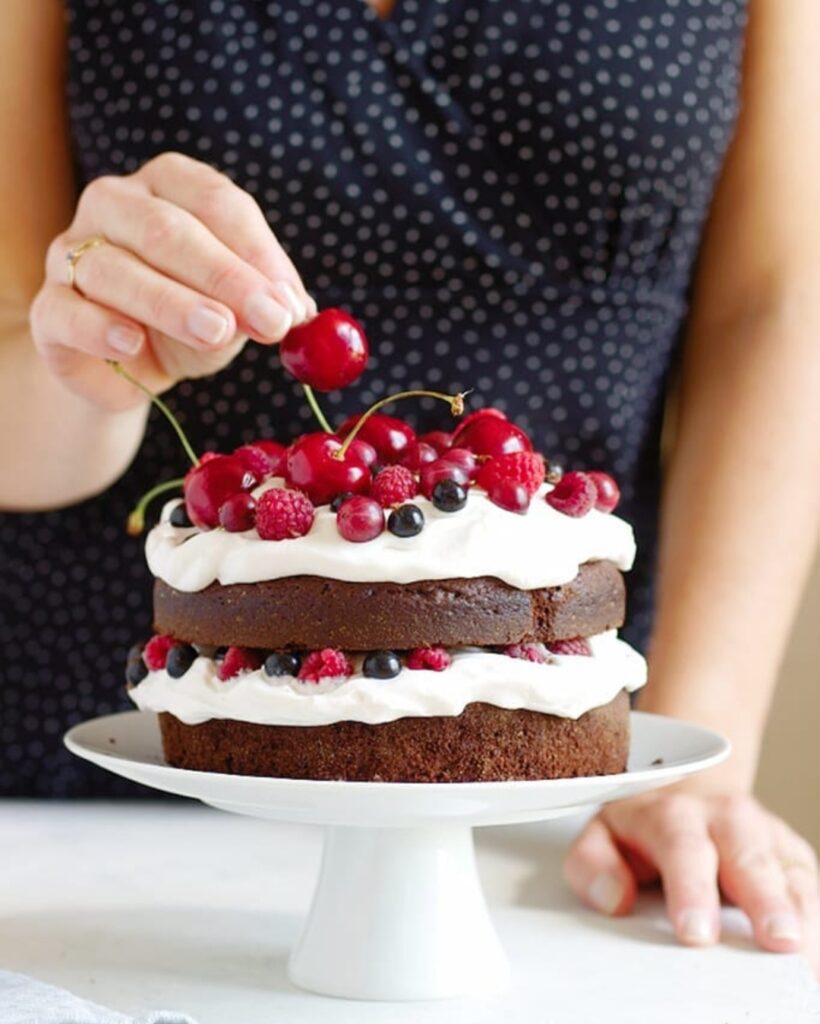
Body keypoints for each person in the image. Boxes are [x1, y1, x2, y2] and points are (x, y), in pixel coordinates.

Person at [1, 0, 818, 966]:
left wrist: (691, 764)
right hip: (94, 811)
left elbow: (774, 308)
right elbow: (22, 403)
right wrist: (99, 356)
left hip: (544, 767)